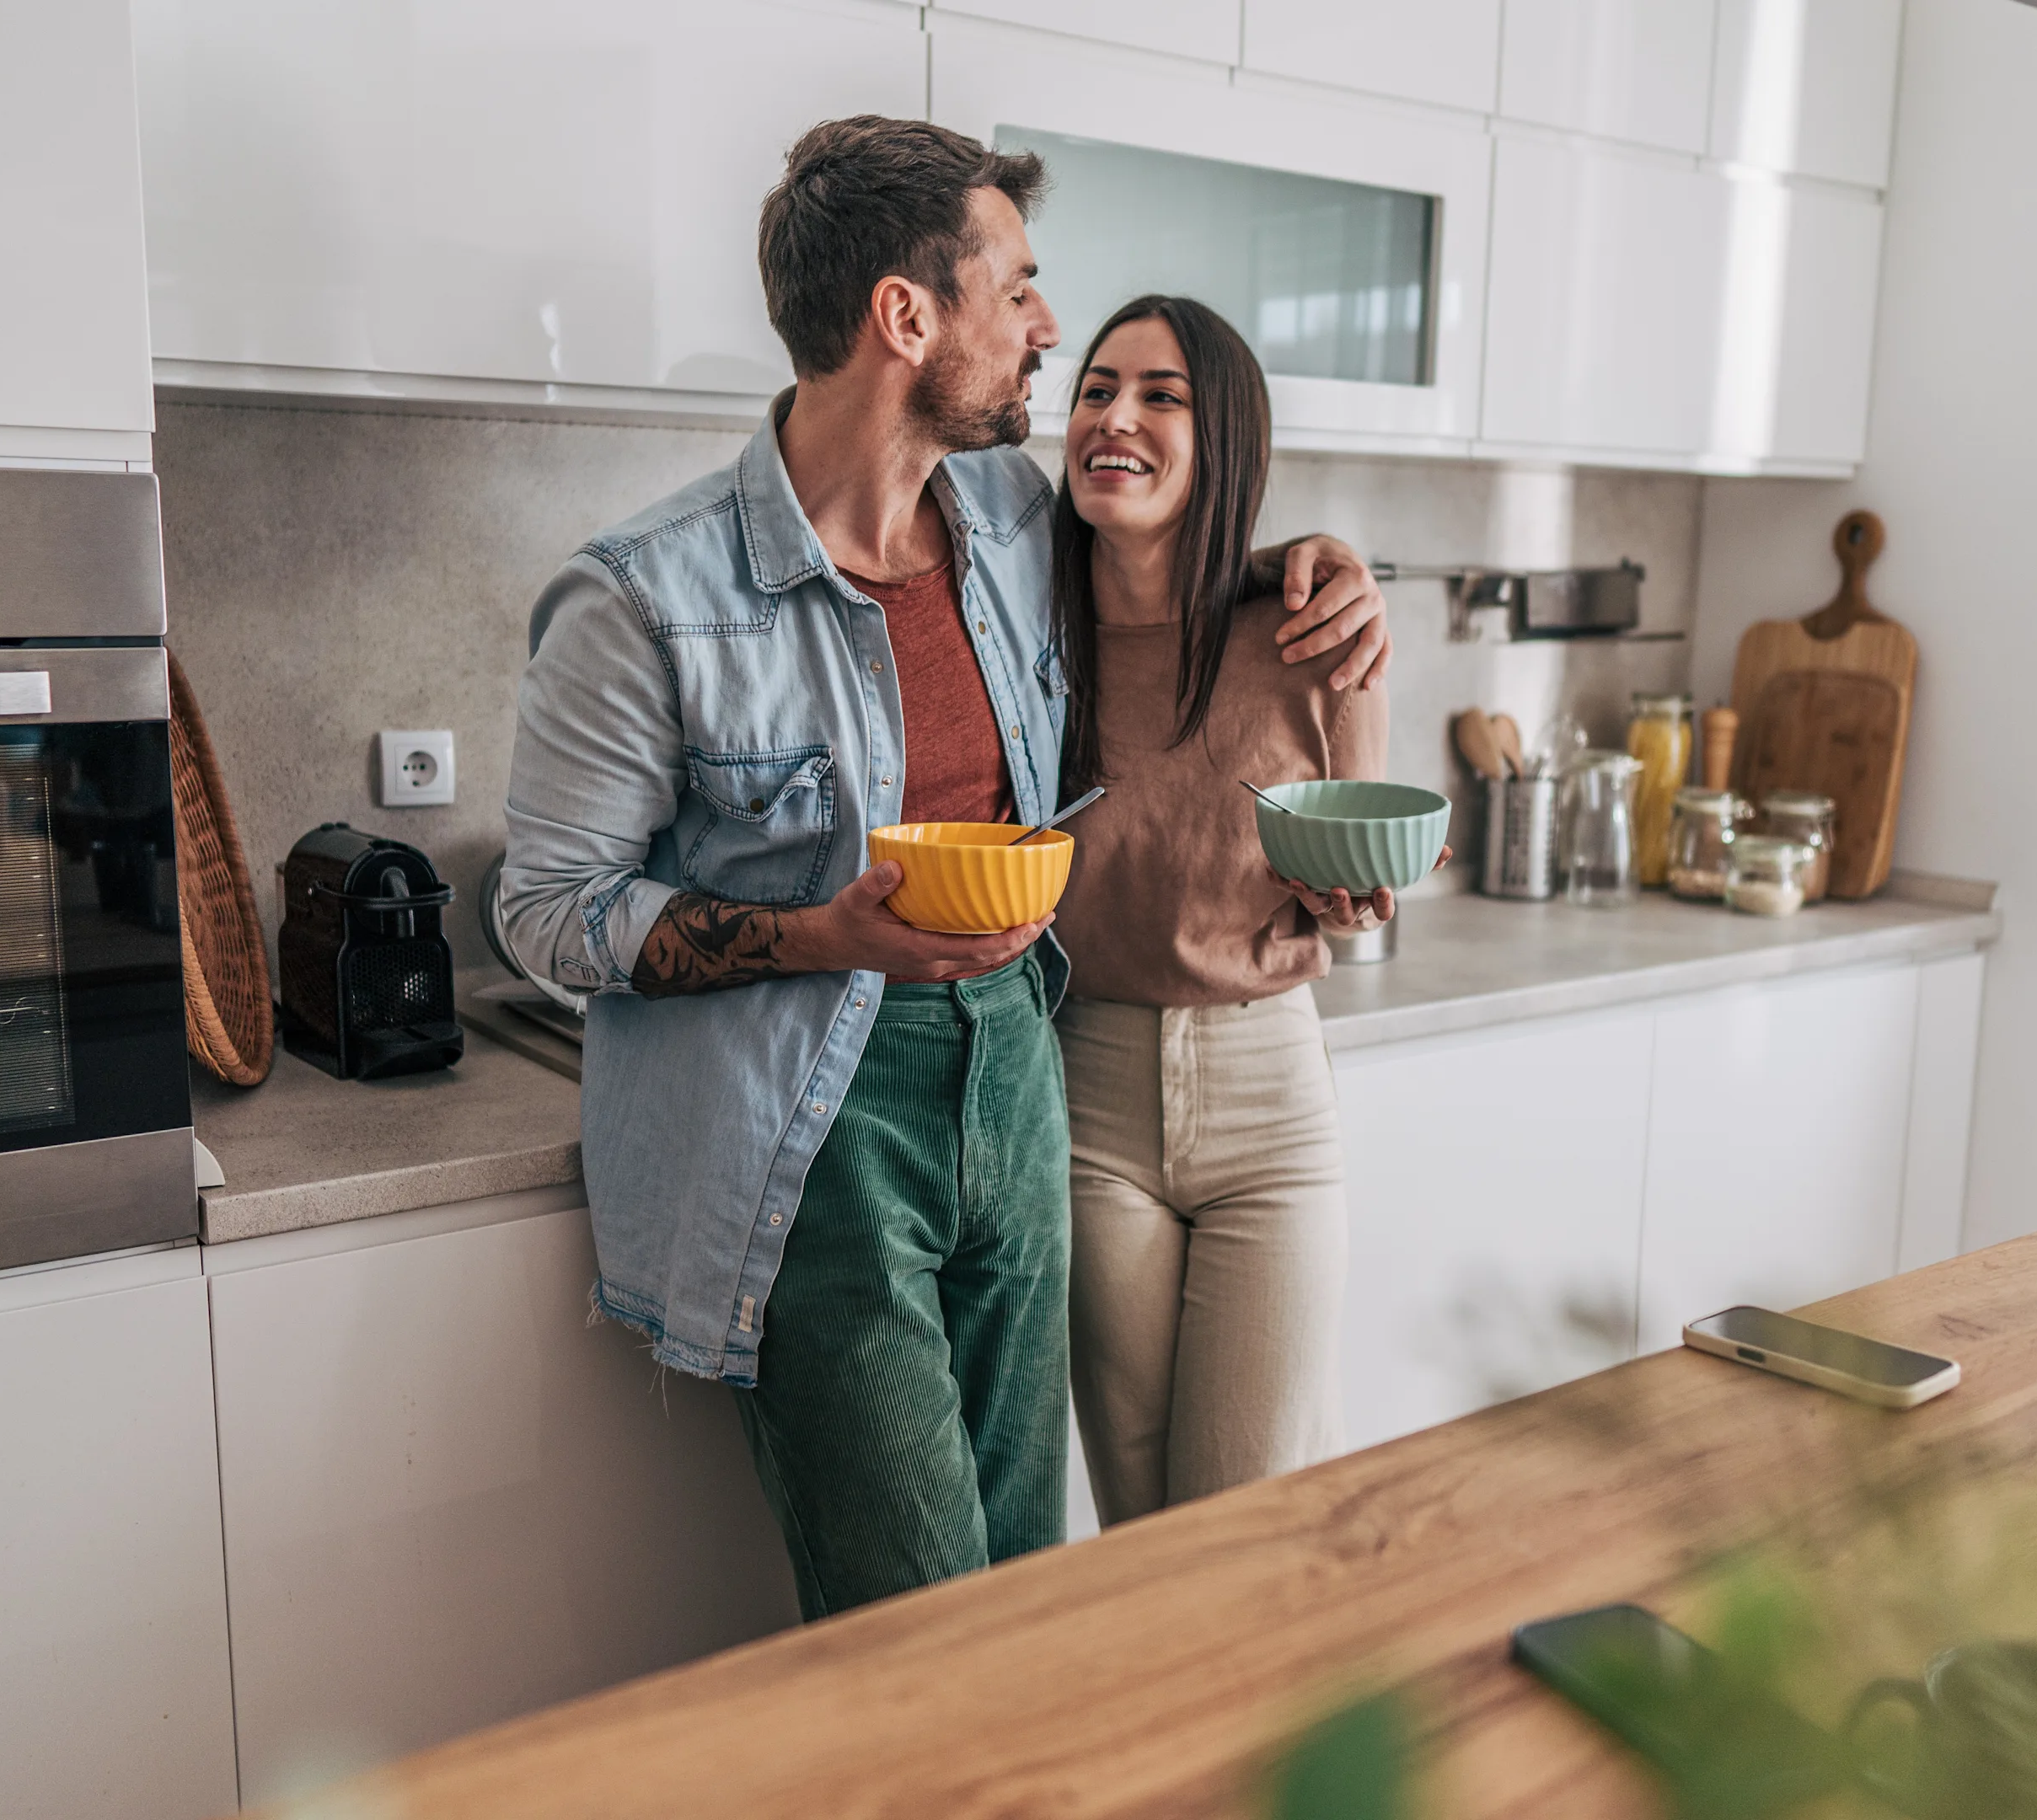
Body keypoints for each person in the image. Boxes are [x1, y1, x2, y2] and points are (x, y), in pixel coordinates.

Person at [494, 118, 1392, 1620]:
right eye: (1020, 289)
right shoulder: (641, 599)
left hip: (1024, 1086)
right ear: (908, 320)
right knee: (917, 1617)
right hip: (812, 1120)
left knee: (1035, 1589)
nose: (1049, 329)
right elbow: (543, 914)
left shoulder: (1009, 521)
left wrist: (1324, 567)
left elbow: (1172, 559)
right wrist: (815, 934)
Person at [1047, 296, 1441, 1526]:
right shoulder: (1023, 630)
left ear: (1225, 440)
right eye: (1097, 389)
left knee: (1253, 1507)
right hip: (1084, 1099)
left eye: (1162, 397)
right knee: (1143, 1518)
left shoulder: (1312, 629)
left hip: (1270, 1096)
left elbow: (1361, 876)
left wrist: (1358, 898)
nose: (1116, 417)